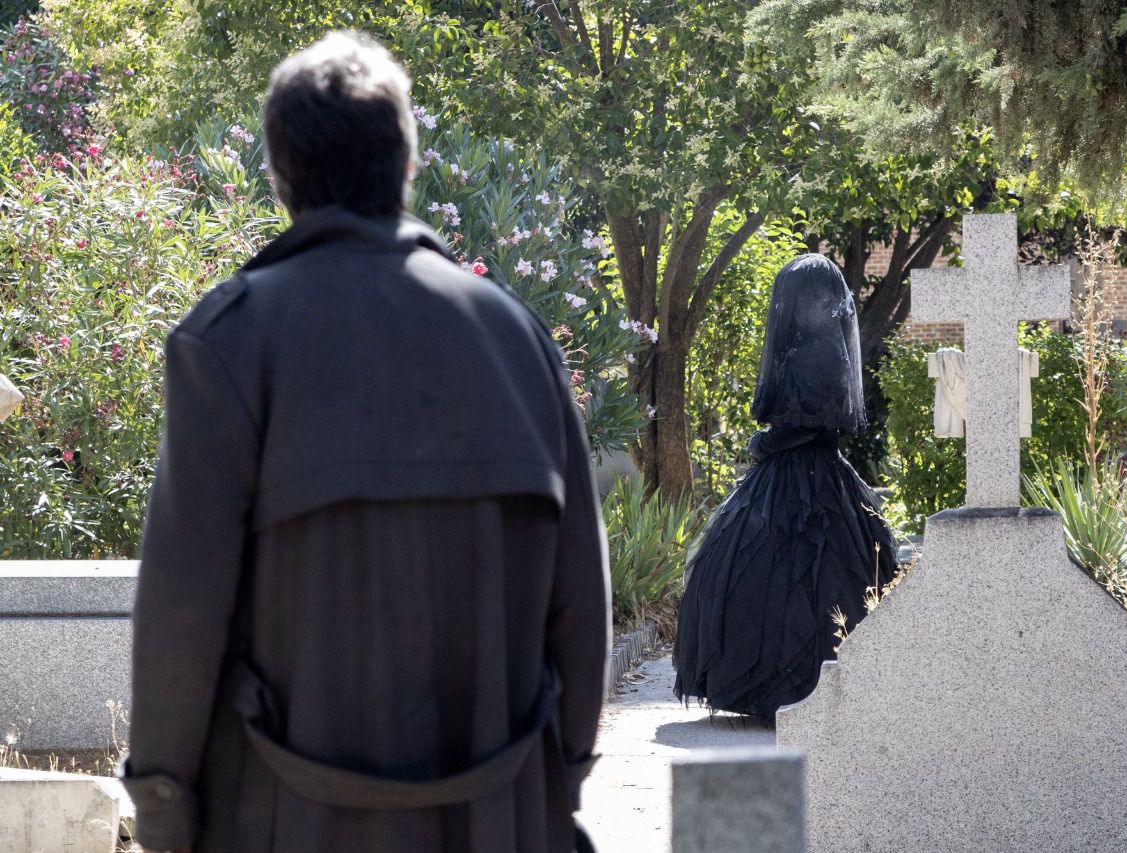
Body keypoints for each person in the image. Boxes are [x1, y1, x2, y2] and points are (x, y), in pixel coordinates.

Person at [118, 31, 610, 853]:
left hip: (282, 823)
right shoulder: (519, 341)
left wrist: (165, 807)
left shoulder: (231, 343)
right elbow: (581, 600)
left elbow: (182, 607)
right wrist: (558, 779)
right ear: (408, 167)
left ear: (278, 175)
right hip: (500, 820)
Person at [673, 253, 898, 724]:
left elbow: (805, 423)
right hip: (816, 476)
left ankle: (788, 689)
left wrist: (761, 442)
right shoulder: (825, 347)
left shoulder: (815, 354)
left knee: (780, 578)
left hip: (801, 475)